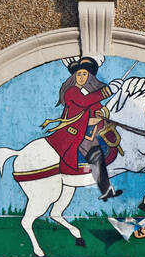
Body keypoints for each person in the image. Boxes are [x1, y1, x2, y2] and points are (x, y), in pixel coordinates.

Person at [42, 58, 122, 200]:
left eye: (85, 74)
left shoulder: (87, 92)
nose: (81, 77)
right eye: (79, 74)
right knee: (95, 152)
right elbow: (84, 103)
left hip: (89, 130)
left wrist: (103, 113)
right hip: (73, 133)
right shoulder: (71, 91)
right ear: (73, 77)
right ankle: (105, 190)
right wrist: (108, 90)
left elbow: (96, 108)